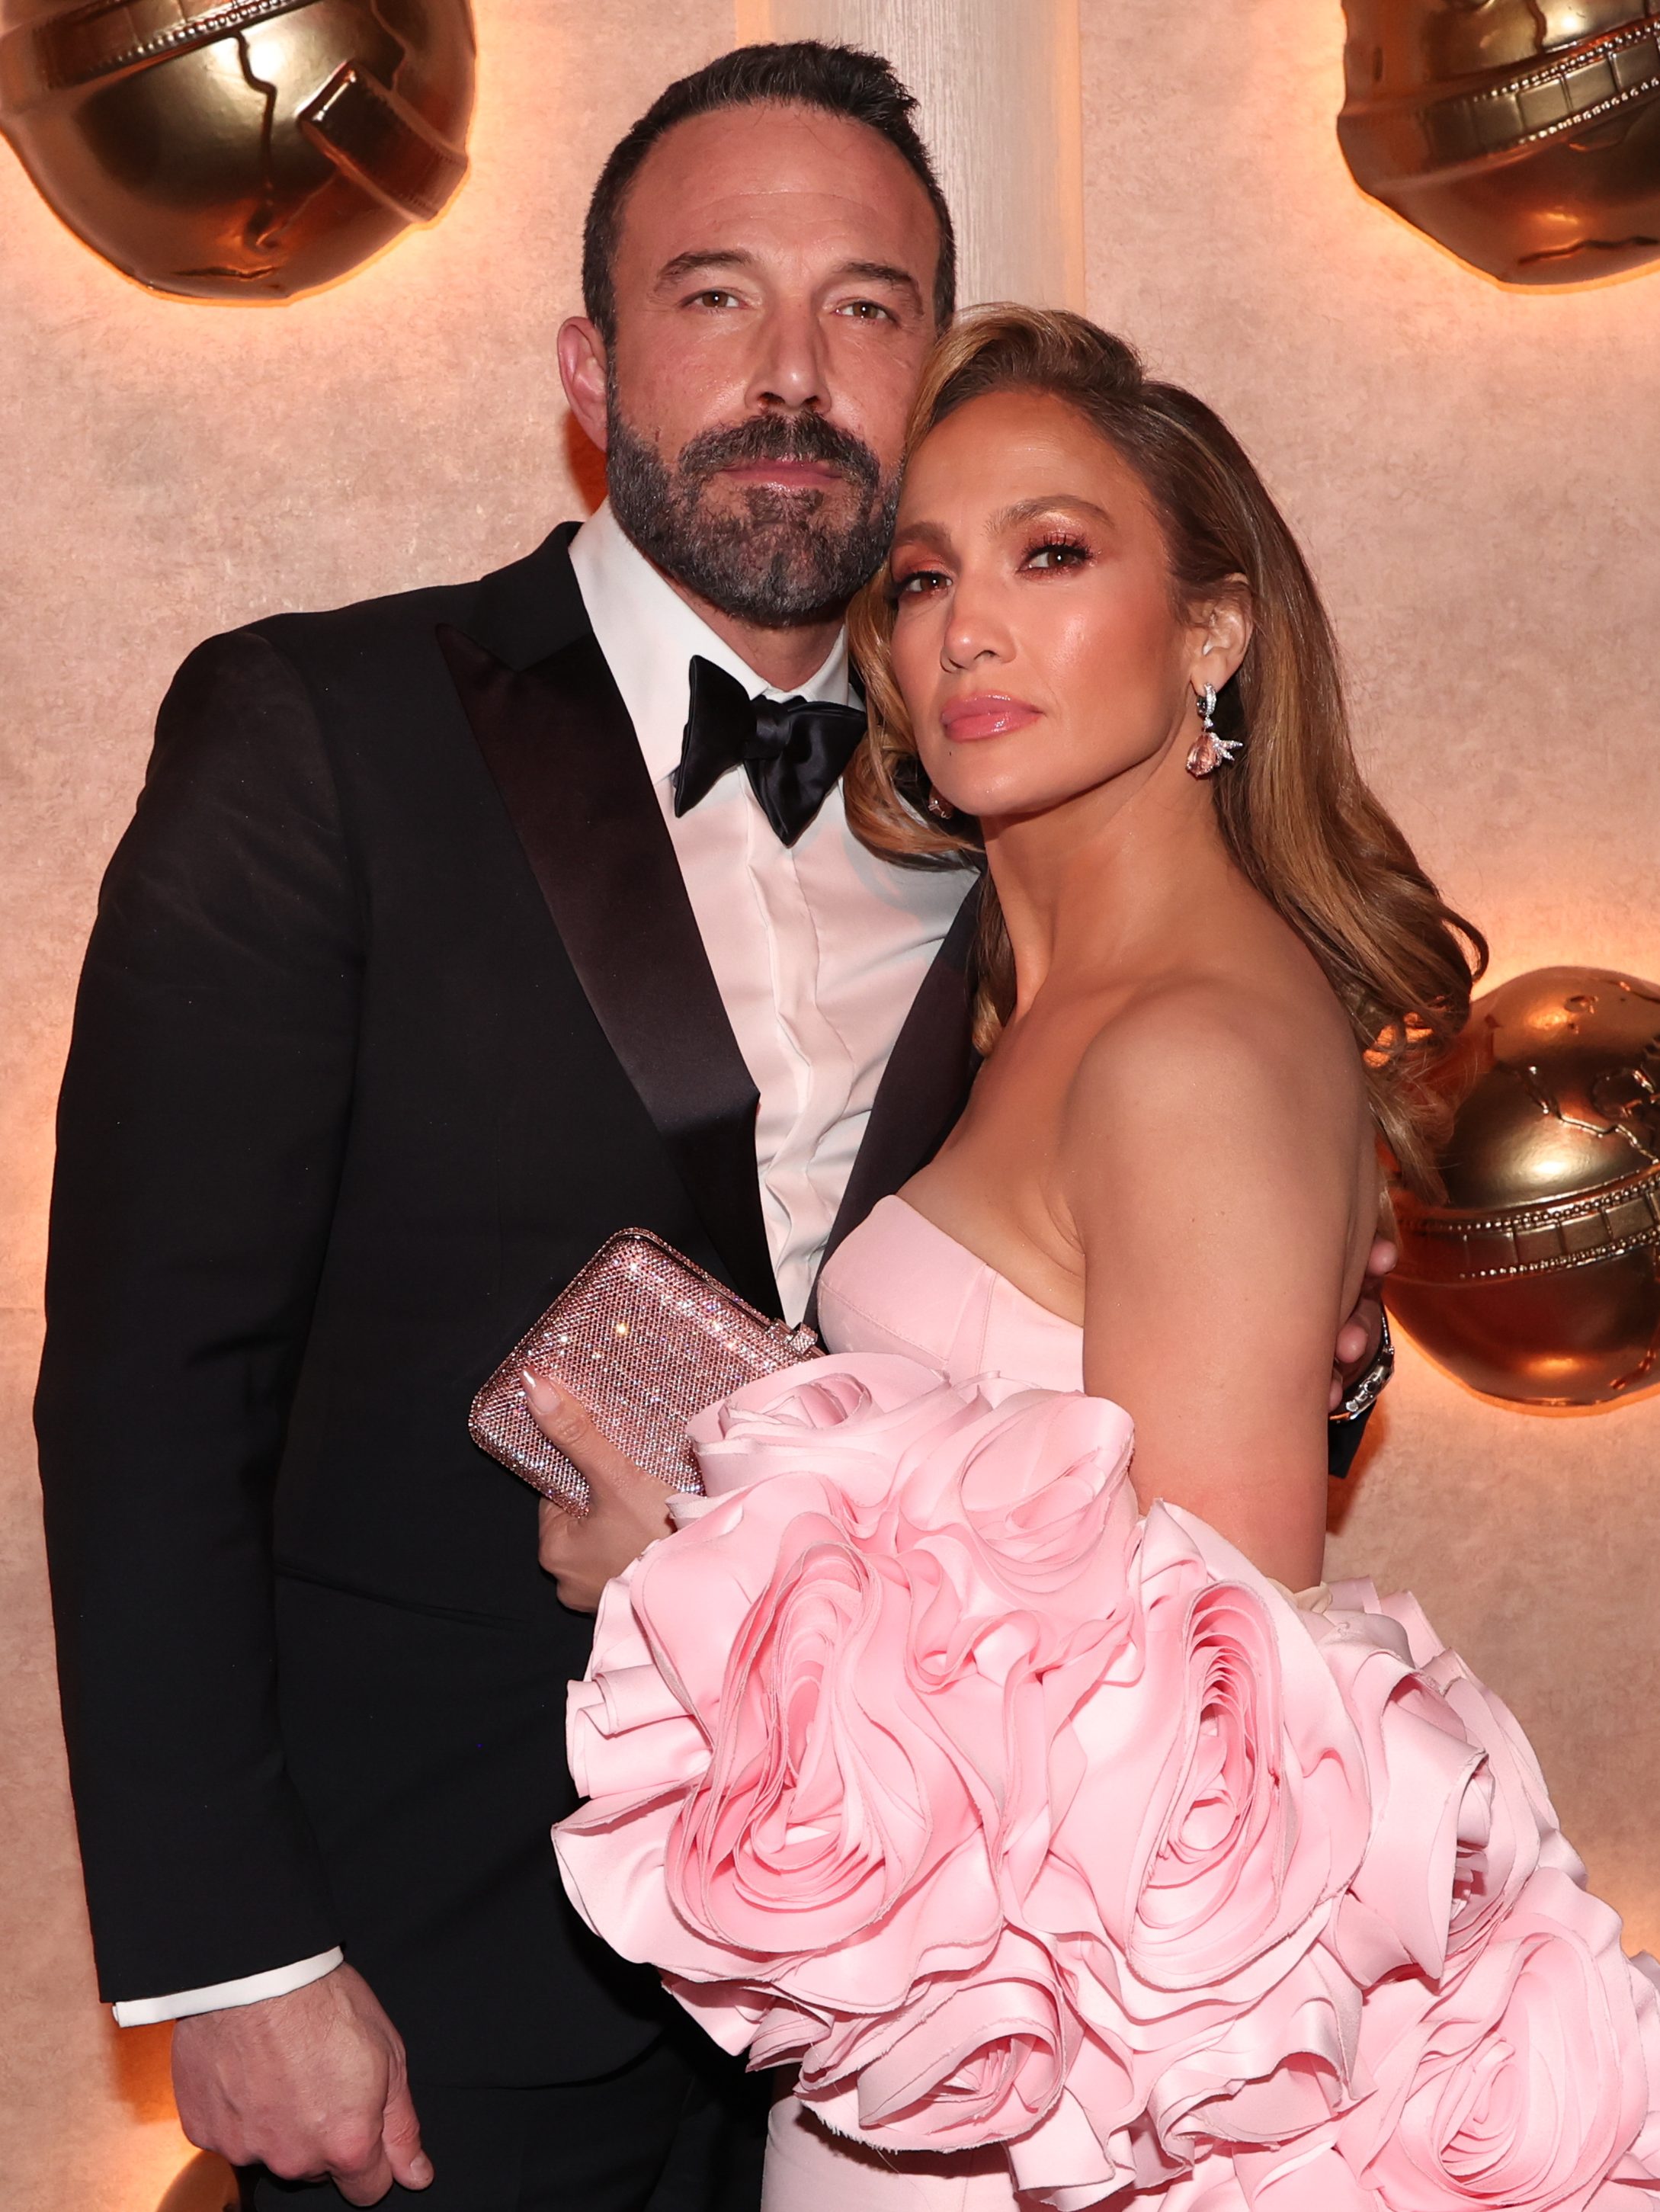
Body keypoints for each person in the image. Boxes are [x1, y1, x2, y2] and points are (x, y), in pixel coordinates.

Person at [35, 43, 1387, 2212]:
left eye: (864, 306)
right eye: (714, 296)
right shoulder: (321, 731)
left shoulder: (1006, 786)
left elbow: (1122, 1385)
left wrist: (1324, 1308)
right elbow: (146, 1381)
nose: (793, 369)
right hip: (425, 1974)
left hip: (898, 2010)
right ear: (592, 363)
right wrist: (235, 1947)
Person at [541, 309, 1660, 2211]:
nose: (968, 626)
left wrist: (696, 1573)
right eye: (923, 577)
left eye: (1052, 553)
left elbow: (1218, 1745)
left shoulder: (1187, 1051)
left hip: (1070, 2102)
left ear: (1212, 629)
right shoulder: (1036, 1003)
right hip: (960, 2036)